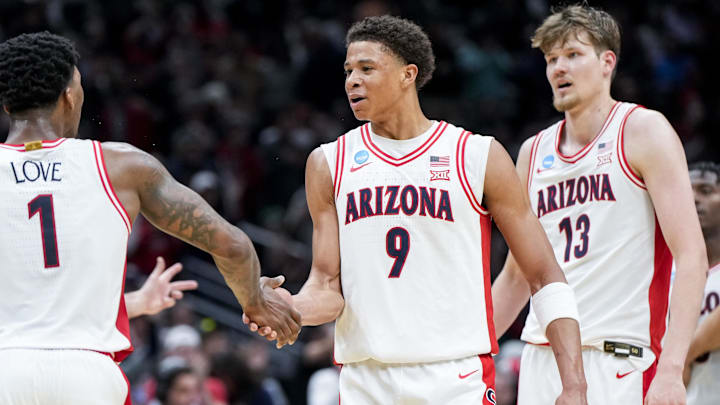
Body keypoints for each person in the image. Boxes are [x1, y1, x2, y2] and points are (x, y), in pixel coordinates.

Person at [245, 15, 588, 404]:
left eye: (366, 68)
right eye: (348, 71)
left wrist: (574, 385)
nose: (351, 81)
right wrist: (290, 307)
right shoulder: (328, 163)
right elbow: (325, 287)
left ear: (408, 74)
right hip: (365, 381)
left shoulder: (476, 155)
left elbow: (545, 276)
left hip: (455, 378)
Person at [0, 31, 301, 405]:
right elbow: (233, 245)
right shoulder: (122, 166)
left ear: (8, 106)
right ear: (69, 95)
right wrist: (256, 302)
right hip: (88, 377)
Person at [490, 4, 707, 405]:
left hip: (619, 359)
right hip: (541, 360)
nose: (559, 68)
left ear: (608, 62)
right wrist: (464, 350)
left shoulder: (643, 131)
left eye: (573, 55)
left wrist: (672, 369)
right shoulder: (532, 153)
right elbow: (517, 277)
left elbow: (690, 255)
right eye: (552, 59)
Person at [684, 161, 720, 404]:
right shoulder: (671, 277)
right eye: (688, 192)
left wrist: (685, 354)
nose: (694, 199)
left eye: (705, 191)